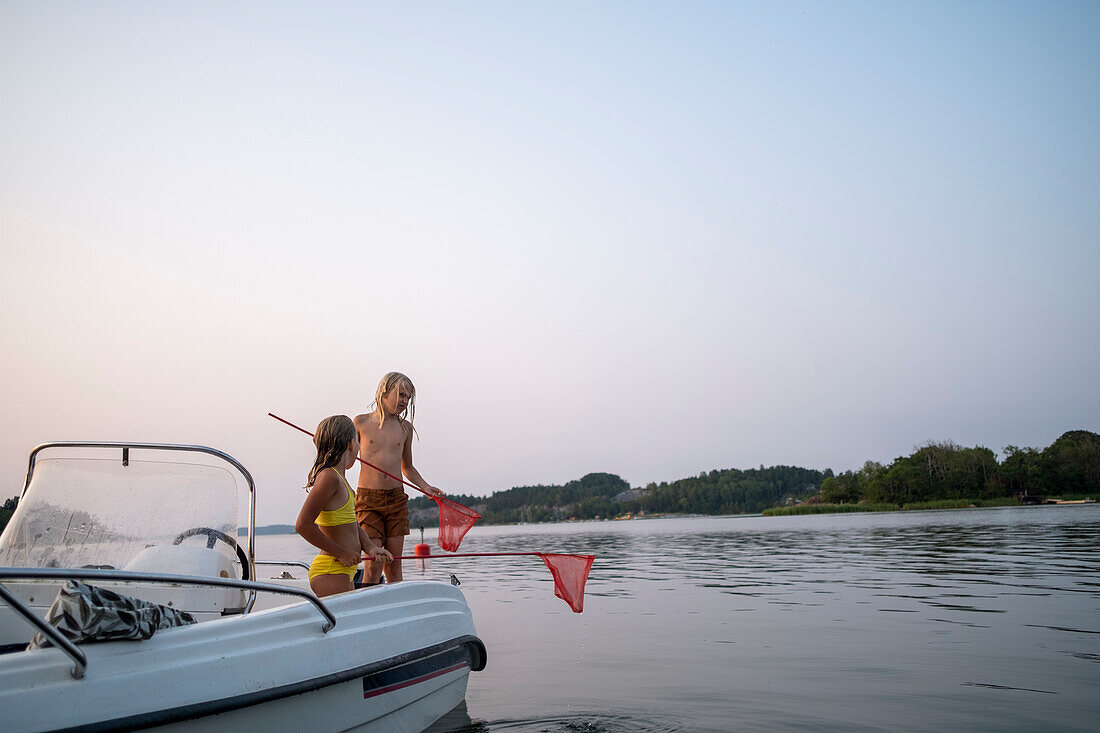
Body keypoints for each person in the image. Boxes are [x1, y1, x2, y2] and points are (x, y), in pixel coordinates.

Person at [355, 372, 445, 584]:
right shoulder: (360, 423)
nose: (405, 401)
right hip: (368, 501)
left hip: (396, 501)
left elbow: (408, 467)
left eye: (408, 398)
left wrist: (425, 487)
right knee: (373, 561)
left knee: (394, 564)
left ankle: (396, 612)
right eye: (401, 395)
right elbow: (345, 456)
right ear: (384, 391)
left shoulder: (405, 429)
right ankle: (370, 609)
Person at [295, 415, 393, 597]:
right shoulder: (329, 477)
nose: (359, 446)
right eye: (358, 441)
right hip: (330, 569)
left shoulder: (340, 479)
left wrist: (370, 547)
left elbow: (351, 524)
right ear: (350, 444)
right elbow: (303, 525)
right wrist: (341, 553)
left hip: (342, 570)